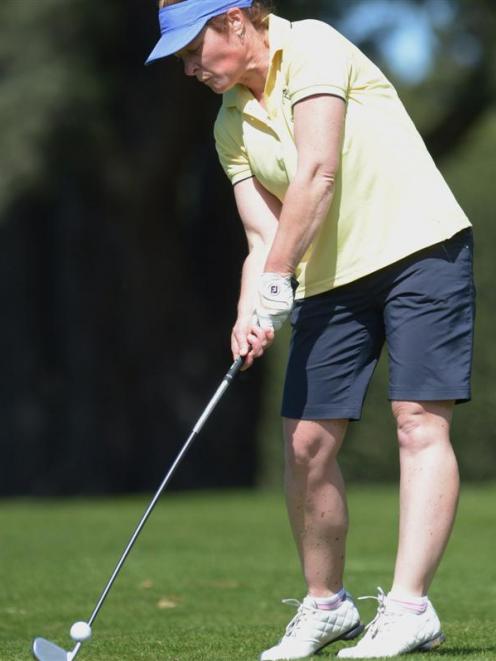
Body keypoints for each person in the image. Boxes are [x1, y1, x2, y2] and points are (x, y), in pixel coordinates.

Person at [146, 1, 475, 659]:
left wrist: (274, 275)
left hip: (420, 250)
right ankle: (327, 604)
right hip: (330, 281)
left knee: (417, 421)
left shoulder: (316, 46)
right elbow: (262, 234)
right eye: (179, 58)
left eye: (192, 49)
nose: (188, 68)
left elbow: (318, 172)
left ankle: (410, 606)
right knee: (305, 444)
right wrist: (250, 307)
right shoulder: (229, 124)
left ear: (236, 21)